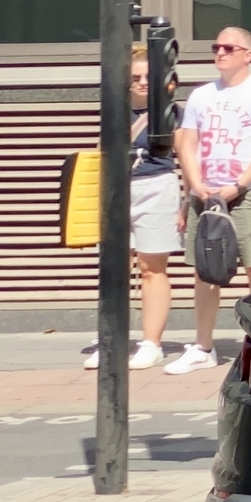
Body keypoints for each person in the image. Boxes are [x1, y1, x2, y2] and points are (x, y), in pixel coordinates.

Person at [168, 27, 251, 374]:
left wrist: (238, 186)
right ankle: (203, 347)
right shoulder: (202, 96)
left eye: (229, 47)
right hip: (205, 196)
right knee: (205, 272)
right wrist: (196, 188)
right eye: (216, 46)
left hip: (247, 195)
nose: (221, 52)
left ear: (248, 54)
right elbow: (186, 145)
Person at [84, 49, 183, 372]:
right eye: (135, 78)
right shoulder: (113, 111)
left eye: (147, 78)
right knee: (116, 267)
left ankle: (151, 343)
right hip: (117, 189)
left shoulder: (170, 112)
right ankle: (112, 342)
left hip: (157, 185)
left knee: (151, 266)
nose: (142, 83)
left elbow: (185, 154)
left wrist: (186, 200)